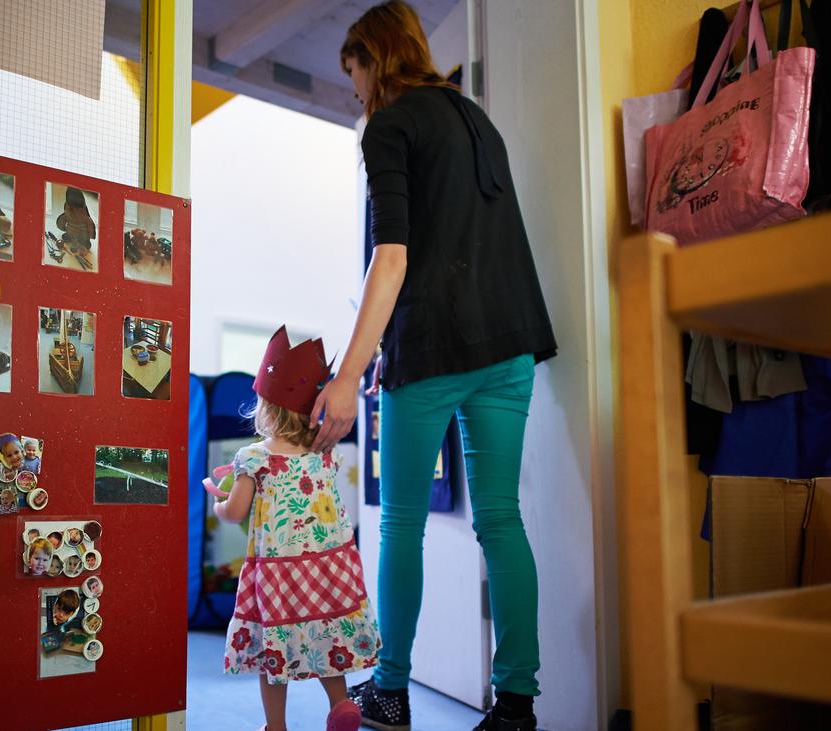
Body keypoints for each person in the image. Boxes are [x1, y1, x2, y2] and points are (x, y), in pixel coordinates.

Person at [315, 4, 558, 730]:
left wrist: (348, 375)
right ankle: (516, 705)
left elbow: (391, 257)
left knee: (401, 523)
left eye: (355, 74)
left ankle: (390, 690)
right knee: (501, 519)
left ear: (375, 59)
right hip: (509, 345)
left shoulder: (390, 125)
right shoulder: (476, 119)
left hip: (432, 347)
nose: (356, 92)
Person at [213, 326, 379, 731]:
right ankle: (341, 704)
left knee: (274, 653)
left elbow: (235, 512)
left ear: (265, 409)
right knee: (326, 638)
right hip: (325, 571)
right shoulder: (324, 452)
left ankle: (276, 726)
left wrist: (217, 501)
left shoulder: (254, 457)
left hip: (278, 577)